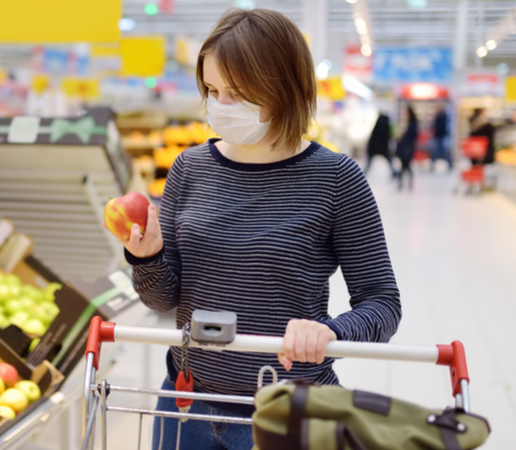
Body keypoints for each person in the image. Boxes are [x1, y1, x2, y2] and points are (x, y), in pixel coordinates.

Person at [104, 9, 401, 450]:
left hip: (286, 411)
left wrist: (331, 332)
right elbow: (164, 300)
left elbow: (383, 303)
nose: (221, 107)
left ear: (284, 88)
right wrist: (146, 258)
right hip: (187, 403)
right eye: (213, 90)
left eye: (238, 93)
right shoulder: (190, 168)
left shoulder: (335, 178)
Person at [364, 112, 397, 177]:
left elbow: (374, 135)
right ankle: (394, 172)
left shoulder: (379, 122)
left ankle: (362, 173)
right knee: (388, 159)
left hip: (375, 146)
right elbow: (388, 135)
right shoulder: (386, 123)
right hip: (382, 146)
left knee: (369, 162)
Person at [396, 106, 419, 190]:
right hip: (405, 147)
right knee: (404, 166)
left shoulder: (413, 124)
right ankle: (403, 184)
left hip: (407, 147)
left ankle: (405, 183)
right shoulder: (409, 123)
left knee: (406, 166)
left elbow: (413, 136)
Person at [431, 105, 452, 171]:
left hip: (440, 136)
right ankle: (433, 163)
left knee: (440, 151)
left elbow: (440, 127)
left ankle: (449, 163)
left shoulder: (443, 116)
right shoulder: (439, 116)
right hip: (439, 136)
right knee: (438, 151)